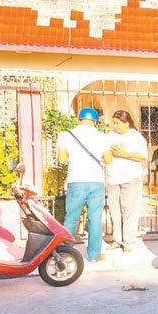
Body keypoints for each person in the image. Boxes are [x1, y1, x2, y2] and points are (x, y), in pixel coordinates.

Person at [57, 108, 113, 262]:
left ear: (79, 119)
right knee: (95, 219)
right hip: (96, 181)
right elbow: (109, 160)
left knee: (71, 218)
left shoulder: (65, 135)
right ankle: (94, 255)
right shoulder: (102, 137)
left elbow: (62, 159)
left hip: (76, 181)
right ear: (95, 121)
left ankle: (66, 254)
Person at [106, 110, 148, 252]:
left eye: (117, 123)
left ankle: (128, 242)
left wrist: (125, 154)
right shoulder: (110, 136)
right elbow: (104, 154)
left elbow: (142, 157)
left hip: (130, 178)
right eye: (114, 123)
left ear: (127, 123)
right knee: (114, 211)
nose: (115, 126)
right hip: (113, 179)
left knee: (128, 211)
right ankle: (117, 240)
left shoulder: (136, 137)